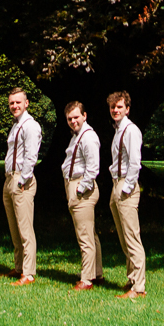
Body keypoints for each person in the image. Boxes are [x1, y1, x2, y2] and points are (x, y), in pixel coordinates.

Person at [60, 100, 104, 290]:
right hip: (75, 186)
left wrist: (80, 189)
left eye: (76, 117)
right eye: (69, 119)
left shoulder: (88, 137)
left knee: (84, 236)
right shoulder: (77, 136)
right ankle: (97, 273)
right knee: (90, 234)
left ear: (84, 116)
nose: (73, 121)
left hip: (82, 189)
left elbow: (93, 168)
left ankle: (86, 279)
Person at [0, 88, 42, 285]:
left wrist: (23, 180)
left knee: (25, 229)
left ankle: (29, 273)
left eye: (18, 102)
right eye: (11, 103)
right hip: (10, 179)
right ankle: (19, 267)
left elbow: (31, 156)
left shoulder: (30, 126)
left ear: (26, 103)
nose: (14, 106)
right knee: (14, 228)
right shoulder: (15, 126)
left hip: (21, 180)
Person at [106, 90, 145, 297]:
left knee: (131, 236)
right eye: (113, 107)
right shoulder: (118, 130)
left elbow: (134, 162)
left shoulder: (131, 131)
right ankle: (132, 280)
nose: (115, 110)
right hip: (116, 184)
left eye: (119, 107)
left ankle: (139, 287)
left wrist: (127, 187)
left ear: (127, 109)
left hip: (125, 185)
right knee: (123, 237)